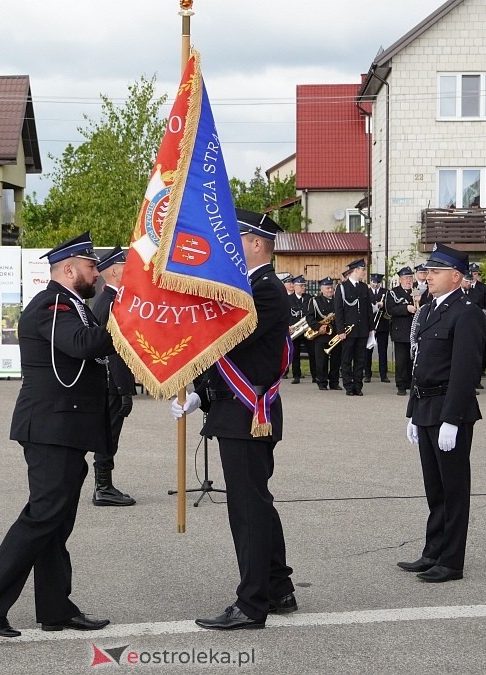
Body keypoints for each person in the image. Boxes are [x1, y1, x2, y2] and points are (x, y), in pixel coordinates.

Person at [0, 231, 115, 638]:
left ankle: (55, 609)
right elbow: (83, 344)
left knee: (56, 522)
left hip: (65, 427)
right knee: (43, 515)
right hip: (50, 426)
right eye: (90, 267)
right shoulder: (52, 305)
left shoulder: (70, 304)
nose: (96, 274)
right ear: (68, 270)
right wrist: (122, 313)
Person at [171, 208, 296, 631]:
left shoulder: (265, 290)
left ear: (256, 243)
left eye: (238, 238)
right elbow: (232, 358)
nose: (232, 245)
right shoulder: (253, 286)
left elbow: (226, 336)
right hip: (235, 411)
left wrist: (189, 307)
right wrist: (201, 397)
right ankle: (278, 587)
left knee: (248, 510)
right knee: (257, 505)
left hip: (247, 416)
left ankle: (251, 604)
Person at [399, 244, 485, 584]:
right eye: (427, 272)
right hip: (427, 407)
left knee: (453, 488)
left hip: (451, 411)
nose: (427, 277)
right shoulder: (431, 309)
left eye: (435, 272)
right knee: (434, 488)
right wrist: (412, 412)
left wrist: (452, 418)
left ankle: (451, 561)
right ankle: (432, 551)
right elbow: (421, 365)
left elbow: (466, 371)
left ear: (456, 276)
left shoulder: (467, 312)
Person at [89, 246, 136, 507]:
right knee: (109, 434)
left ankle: (104, 485)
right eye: (126, 266)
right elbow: (112, 351)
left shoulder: (112, 300)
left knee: (109, 433)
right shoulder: (110, 303)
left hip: (112, 381)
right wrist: (123, 388)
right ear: (116, 270)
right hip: (112, 382)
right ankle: (103, 487)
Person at [333, 259, 371, 396]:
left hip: (362, 330)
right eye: (362, 270)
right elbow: (339, 311)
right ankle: (349, 386)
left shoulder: (364, 287)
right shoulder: (342, 287)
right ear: (355, 270)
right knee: (347, 359)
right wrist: (340, 331)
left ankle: (358, 386)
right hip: (348, 331)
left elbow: (367, 310)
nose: (364, 272)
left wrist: (371, 329)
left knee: (360, 360)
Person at [386, 267, 418, 396]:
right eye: (406, 278)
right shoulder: (394, 293)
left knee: (413, 359)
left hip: (414, 330)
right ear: (400, 280)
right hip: (400, 331)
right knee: (401, 359)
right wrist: (406, 309)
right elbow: (390, 310)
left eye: (410, 278)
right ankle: (401, 384)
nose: (408, 280)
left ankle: (411, 382)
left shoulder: (416, 291)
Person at [307, 277, 340, 391]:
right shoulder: (315, 301)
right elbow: (310, 317)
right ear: (321, 289)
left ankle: (334, 382)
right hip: (321, 335)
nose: (330, 290)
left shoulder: (338, 300)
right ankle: (322, 382)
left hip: (336, 334)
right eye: (328, 288)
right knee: (321, 361)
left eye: (332, 287)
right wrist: (318, 327)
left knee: (336, 360)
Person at [366, 273, 391, 383]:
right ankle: (367, 374)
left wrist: (383, 305)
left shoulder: (385, 292)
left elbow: (390, 306)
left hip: (382, 325)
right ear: (370, 281)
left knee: (382, 351)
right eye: (373, 282)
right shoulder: (366, 292)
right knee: (367, 351)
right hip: (370, 326)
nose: (375, 284)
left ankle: (383, 374)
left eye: (377, 283)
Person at [288, 276, 312, 385]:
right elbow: (285, 314)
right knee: (295, 354)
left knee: (312, 353)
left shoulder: (309, 298)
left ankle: (315, 375)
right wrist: (288, 326)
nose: (303, 288)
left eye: (304, 286)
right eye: (301, 286)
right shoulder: (288, 299)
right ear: (294, 286)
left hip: (307, 329)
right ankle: (296, 375)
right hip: (295, 330)